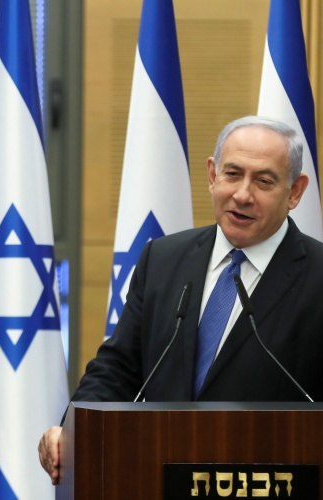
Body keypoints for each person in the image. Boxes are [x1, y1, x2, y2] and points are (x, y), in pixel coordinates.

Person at [39, 115, 323, 484]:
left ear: (295, 192)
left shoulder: (316, 275)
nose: (242, 194)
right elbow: (118, 367)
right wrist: (72, 432)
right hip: (158, 476)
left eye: (264, 181)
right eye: (232, 174)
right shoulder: (162, 258)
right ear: (212, 175)